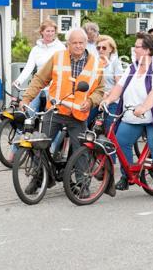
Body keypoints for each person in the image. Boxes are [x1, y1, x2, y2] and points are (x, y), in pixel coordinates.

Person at [100, 32, 153, 202]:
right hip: (133, 115)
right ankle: (128, 175)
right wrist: (108, 99)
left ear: (148, 50)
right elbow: (119, 86)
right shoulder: (133, 67)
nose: (134, 49)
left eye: (137, 47)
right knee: (120, 141)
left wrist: (143, 107)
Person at [21, 28, 104, 192]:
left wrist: (91, 101)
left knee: (80, 149)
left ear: (86, 43)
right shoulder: (58, 58)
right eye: (74, 43)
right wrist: (26, 98)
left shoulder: (96, 63)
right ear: (68, 44)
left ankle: (82, 184)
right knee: (40, 145)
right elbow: (39, 79)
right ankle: (39, 179)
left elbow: (100, 90)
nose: (78, 46)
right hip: (56, 110)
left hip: (78, 113)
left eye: (81, 43)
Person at [13, 20, 65, 112]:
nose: (50, 33)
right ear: (42, 32)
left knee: (50, 113)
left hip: (54, 86)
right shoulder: (36, 49)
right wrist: (18, 81)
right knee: (29, 112)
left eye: (52, 31)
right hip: (39, 85)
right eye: (48, 31)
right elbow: (29, 67)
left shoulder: (60, 48)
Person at [86, 34, 124, 133]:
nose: (101, 50)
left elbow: (119, 83)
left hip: (112, 98)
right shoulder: (94, 62)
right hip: (97, 97)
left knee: (109, 128)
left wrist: (107, 95)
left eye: (104, 47)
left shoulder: (115, 63)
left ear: (111, 49)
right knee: (82, 121)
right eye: (98, 48)